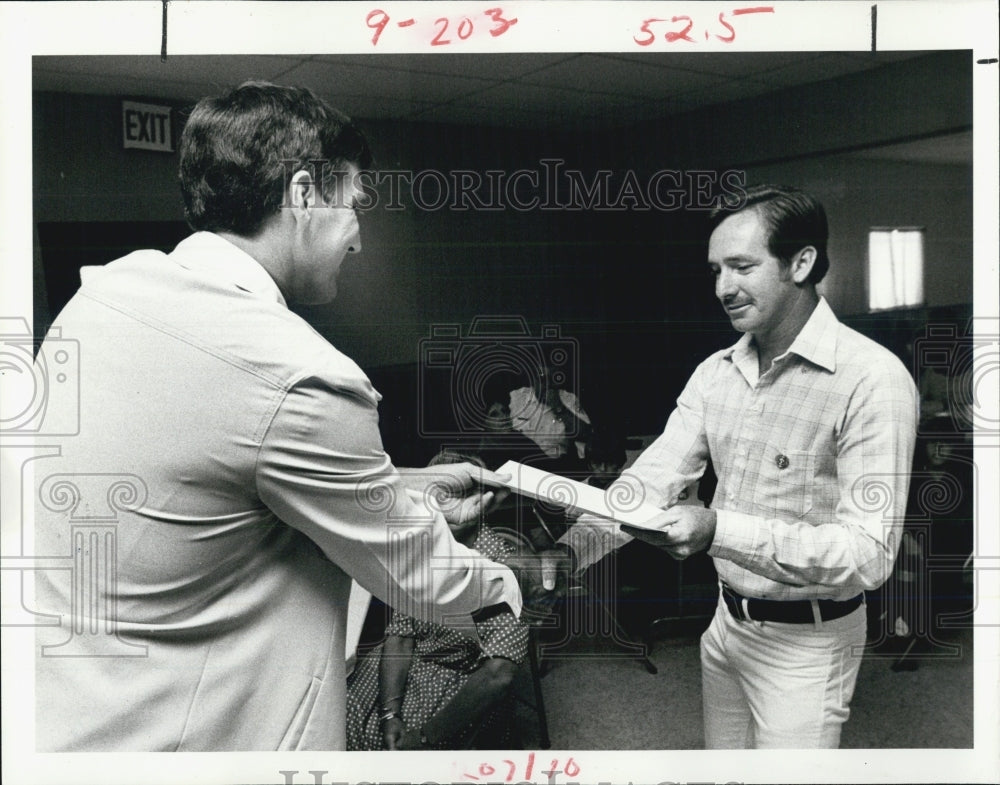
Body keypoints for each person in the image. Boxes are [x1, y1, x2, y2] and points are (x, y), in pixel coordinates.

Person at [32, 82, 555, 752]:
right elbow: (417, 572)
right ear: (305, 195)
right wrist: (515, 581)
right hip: (196, 736)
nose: (358, 240)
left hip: (72, 711)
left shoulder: (106, 296)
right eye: (355, 205)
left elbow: (215, 475)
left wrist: (404, 487)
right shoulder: (302, 374)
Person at [557, 184, 918, 748]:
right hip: (725, 626)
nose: (722, 288)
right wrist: (565, 556)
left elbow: (868, 554)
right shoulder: (715, 372)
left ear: (801, 263)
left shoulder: (872, 379)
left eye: (742, 266)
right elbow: (652, 480)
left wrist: (716, 530)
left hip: (809, 647)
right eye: (715, 270)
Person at [346, 452, 530, 751]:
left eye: (455, 494)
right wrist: (389, 714)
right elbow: (400, 637)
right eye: (434, 494)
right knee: (336, 719)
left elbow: (497, 674)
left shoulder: (505, 567)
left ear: (481, 500)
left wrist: (424, 736)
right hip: (404, 663)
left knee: (398, 758)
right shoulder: (420, 548)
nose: (442, 505)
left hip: (460, 677)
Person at [508, 362, 591, 470]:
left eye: (553, 379)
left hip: (552, 465)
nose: (548, 384)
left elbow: (585, 434)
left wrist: (558, 407)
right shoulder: (517, 396)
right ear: (533, 379)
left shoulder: (569, 399)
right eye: (543, 379)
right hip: (516, 460)